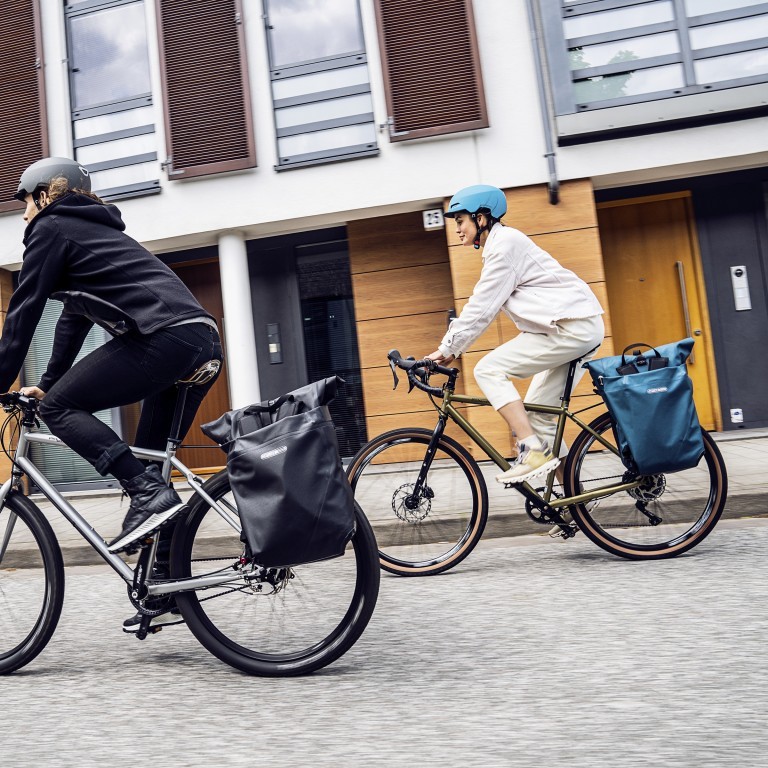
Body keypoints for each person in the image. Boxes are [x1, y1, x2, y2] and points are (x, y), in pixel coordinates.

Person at [0, 157, 223, 567]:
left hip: (165, 338)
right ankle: (165, 585)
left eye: (27, 202)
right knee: (151, 467)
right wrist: (48, 380)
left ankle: (146, 493)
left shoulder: (51, 227)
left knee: (59, 410)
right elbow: (72, 320)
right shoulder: (92, 234)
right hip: (202, 341)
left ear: (46, 194)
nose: (25, 213)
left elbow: (24, 309)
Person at [427, 184, 604, 485]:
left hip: (571, 327)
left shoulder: (505, 246)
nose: (456, 229)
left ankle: (531, 450)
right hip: (572, 327)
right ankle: (572, 505)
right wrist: (449, 348)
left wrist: (445, 350)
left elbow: (482, 307)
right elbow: (483, 307)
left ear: (481, 218)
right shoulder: (501, 246)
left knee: (488, 369)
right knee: (538, 416)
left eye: (460, 221)